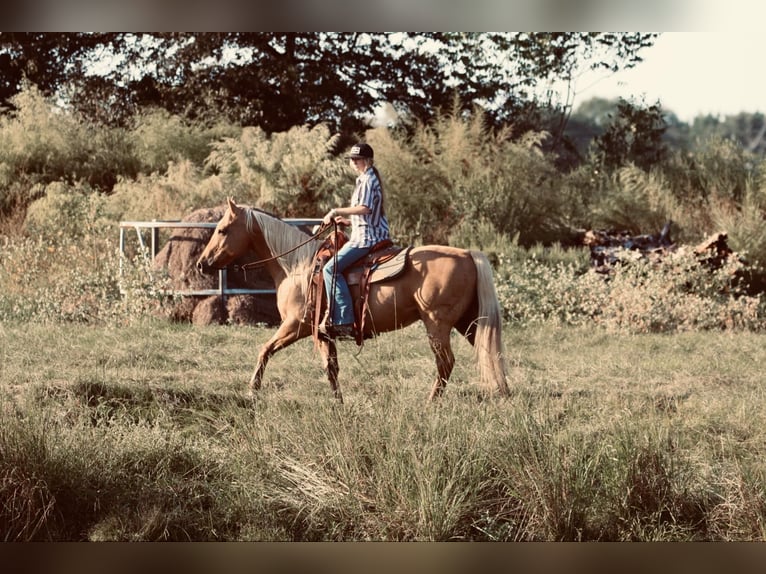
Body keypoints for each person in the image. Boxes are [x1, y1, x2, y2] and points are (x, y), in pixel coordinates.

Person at [320, 142, 391, 339]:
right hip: (371, 233)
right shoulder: (367, 179)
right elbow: (368, 214)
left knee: (330, 269)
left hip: (366, 239)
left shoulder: (367, 180)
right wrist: (348, 221)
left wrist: (335, 211)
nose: (354, 162)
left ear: (368, 160)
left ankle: (344, 320)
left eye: (357, 159)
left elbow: (365, 208)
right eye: (352, 159)